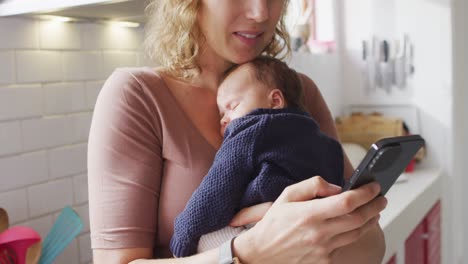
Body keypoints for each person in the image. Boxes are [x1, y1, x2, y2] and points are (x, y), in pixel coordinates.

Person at [88, 0, 387, 263]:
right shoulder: (138, 96)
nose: (260, 12)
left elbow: (372, 246)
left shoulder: (299, 90)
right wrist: (249, 253)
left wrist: (311, 237)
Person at [170, 56, 346, 257]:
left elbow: (215, 189)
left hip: (263, 228)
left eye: (233, 106)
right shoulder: (327, 143)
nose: (224, 119)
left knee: (206, 239)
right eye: (220, 114)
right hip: (318, 231)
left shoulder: (250, 130)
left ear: (275, 100)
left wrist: (183, 237)